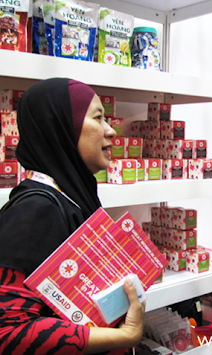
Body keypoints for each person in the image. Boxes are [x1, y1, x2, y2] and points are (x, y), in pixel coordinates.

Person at [0, 78, 144, 354]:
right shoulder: (35, 211)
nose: (110, 131)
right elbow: (9, 332)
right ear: (62, 128)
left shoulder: (72, 199)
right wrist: (124, 337)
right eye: (98, 118)